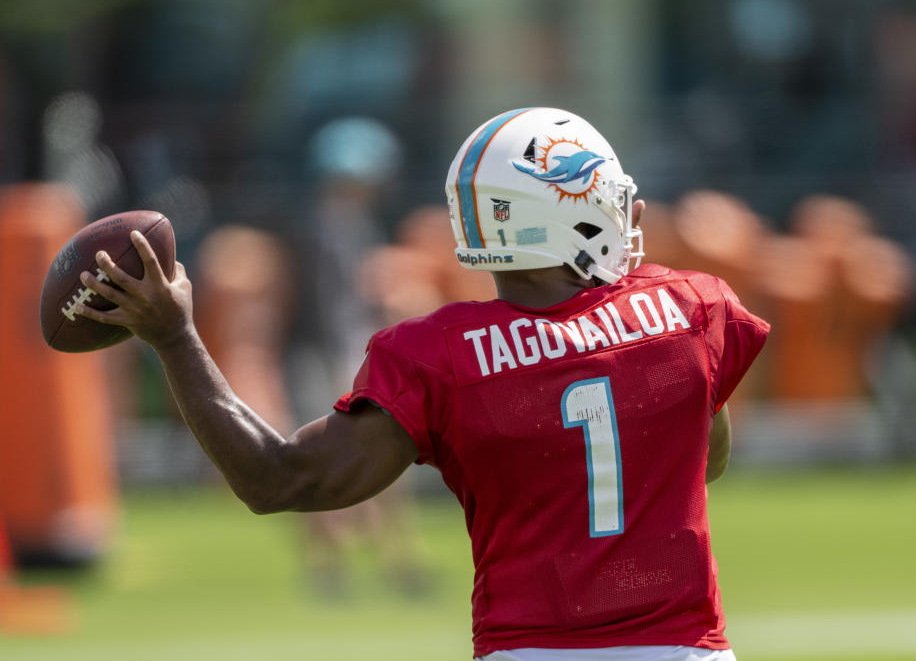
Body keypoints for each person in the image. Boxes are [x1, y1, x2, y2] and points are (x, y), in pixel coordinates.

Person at [75, 107, 769, 661]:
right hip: (688, 651)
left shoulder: (438, 355)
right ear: (576, 209)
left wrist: (173, 337)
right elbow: (704, 459)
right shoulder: (689, 308)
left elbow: (276, 480)